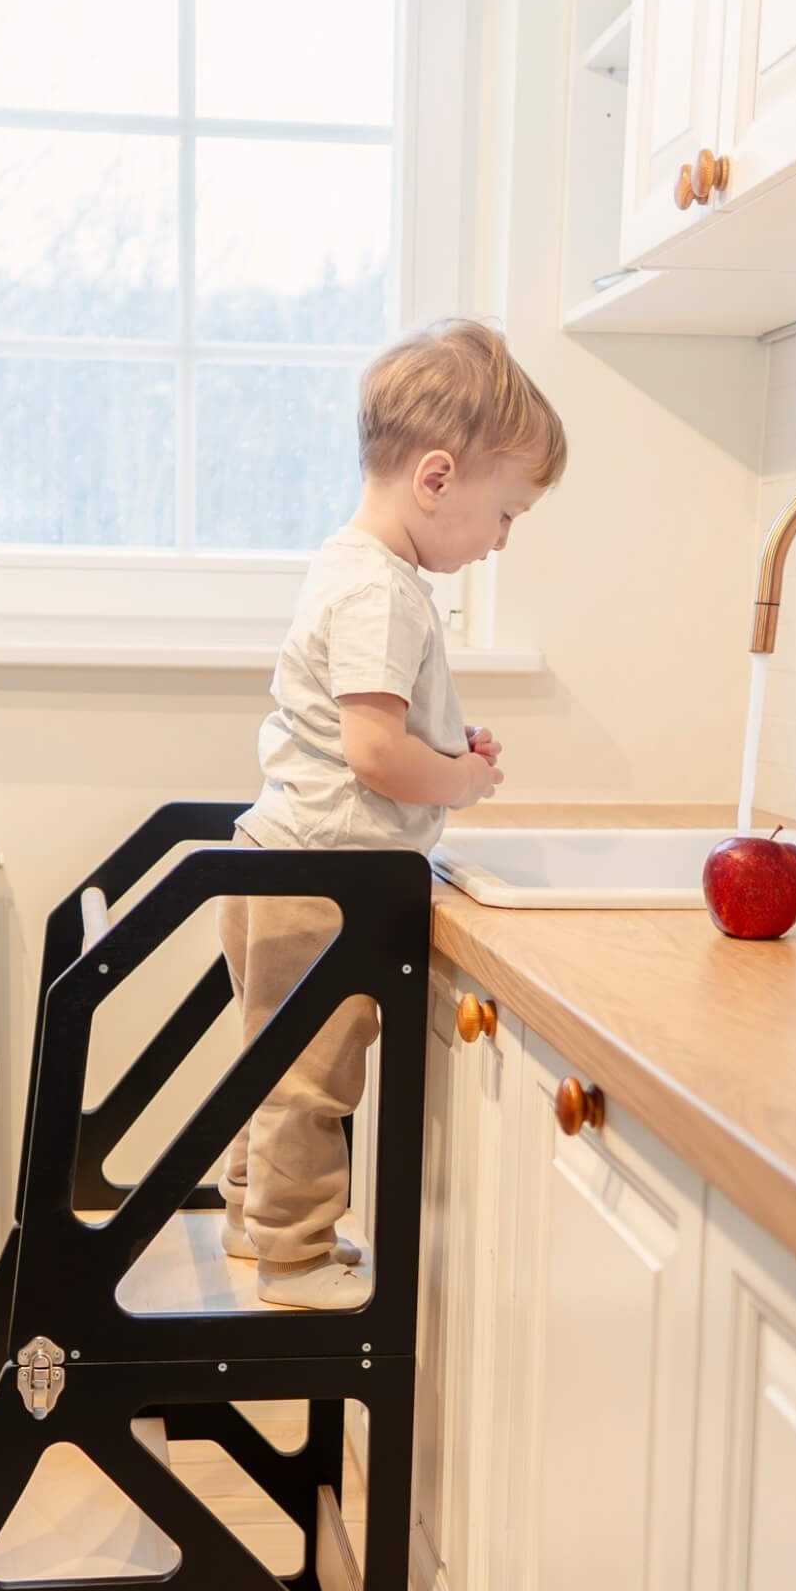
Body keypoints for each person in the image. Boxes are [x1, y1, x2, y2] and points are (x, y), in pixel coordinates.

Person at [221, 319, 567, 1310]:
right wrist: (454, 782)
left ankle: (255, 1219)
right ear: (436, 478)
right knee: (311, 1080)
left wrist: (448, 754)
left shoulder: (350, 567)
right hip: (325, 882)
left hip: (282, 861)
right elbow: (376, 756)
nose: (501, 538)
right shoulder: (386, 594)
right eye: (504, 512)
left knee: (273, 1059)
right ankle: (291, 1255)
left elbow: (372, 730)